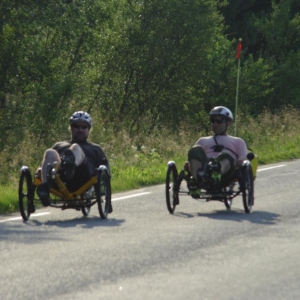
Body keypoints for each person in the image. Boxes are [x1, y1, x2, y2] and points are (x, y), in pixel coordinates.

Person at [36, 111, 110, 207]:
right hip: (59, 178)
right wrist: (40, 172)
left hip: (83, 177)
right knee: (50, 152)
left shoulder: (95, 148)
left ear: (89, 129)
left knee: (75, 147)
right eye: (76, 126)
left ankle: (71, 165)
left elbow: (106, 172)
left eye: (84, 127)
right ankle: (45, 188)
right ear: (70, 128)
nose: (80, 129)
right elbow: (44, 164)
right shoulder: (59, 145)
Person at [186, 106, 248, 194]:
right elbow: (194, 159)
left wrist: (241, 160)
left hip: (226, 172)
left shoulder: (238, 141)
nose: (215, 124)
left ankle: (216, 172)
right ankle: (196, 182)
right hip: (205, 169)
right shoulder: (202, 140)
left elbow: (243, 157)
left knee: (225, 155)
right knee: (195, 150)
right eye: (213, 121)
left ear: (228, 123)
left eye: (219, 121)